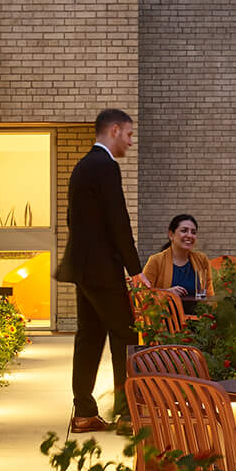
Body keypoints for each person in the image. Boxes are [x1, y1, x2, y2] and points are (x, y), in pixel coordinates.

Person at [54, 107, 143, 432]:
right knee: (126, 335)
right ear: (115, 130)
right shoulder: (105, 166)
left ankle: (84, 412)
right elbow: (117, 220)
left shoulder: (82, 166)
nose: (130, 142)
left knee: (89, 337)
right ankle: (127, 414)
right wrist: (135, 269)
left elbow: (73, 219)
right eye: (129, 134)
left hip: (84, 268)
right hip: (103, 269)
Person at [140, 213, 216, 314]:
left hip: (197, 319)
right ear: (171, 235)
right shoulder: (156, 261)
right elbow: (142, 295)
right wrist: (166, 293)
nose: (189, 235)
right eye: (184, 231)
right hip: (166, 320)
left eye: (193, 232)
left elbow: (209, 294)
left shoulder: (202, 260)